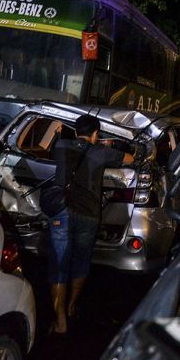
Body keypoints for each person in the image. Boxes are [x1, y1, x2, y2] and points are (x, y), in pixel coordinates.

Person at [48, 114, 135, 335]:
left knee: (59, 264)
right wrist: (109, 145)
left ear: (76, 131)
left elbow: (42, 145)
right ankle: (71, 307)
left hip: (62, 211)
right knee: (80, 262)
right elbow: (130, 159)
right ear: (95, 133)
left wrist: (58, 130)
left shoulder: (61, 145)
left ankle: (59, 321)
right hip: (89, 214)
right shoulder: (101, 152)